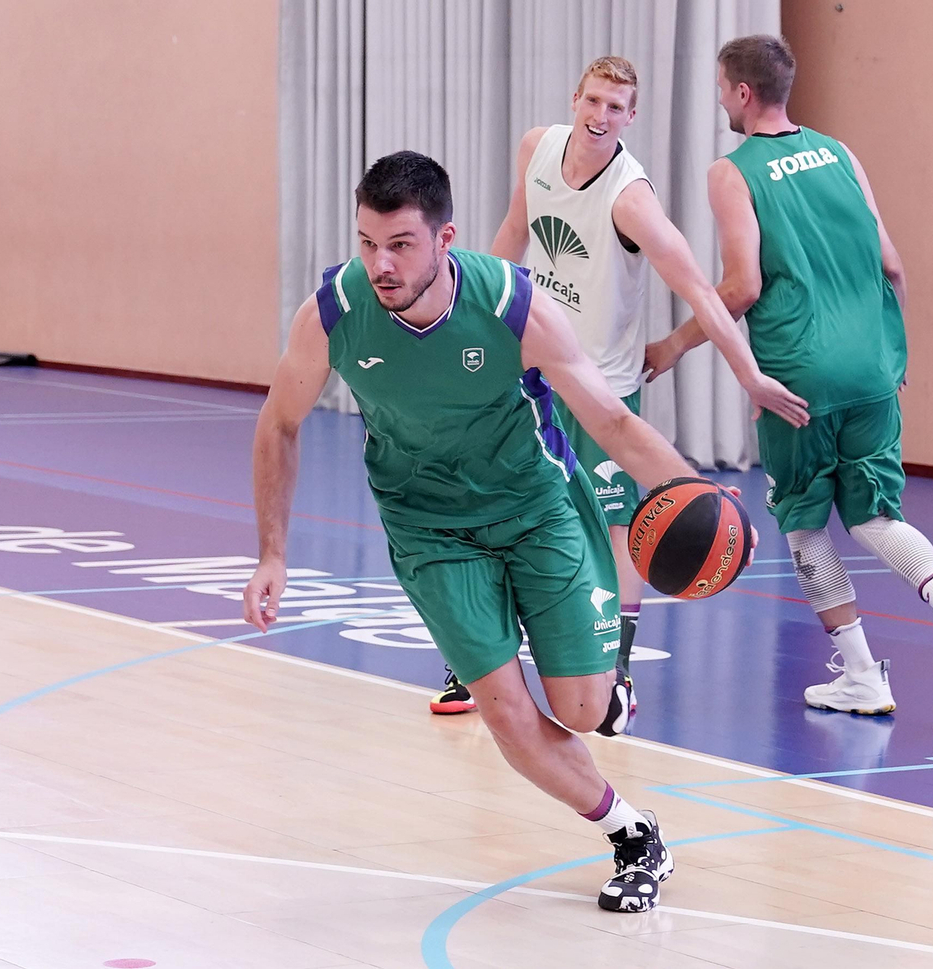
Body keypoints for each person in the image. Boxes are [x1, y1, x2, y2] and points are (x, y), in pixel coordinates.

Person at [244, 151, 752, 911]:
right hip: (430, 529)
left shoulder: (513, 305)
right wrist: (273, 553)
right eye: (367, 242)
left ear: (445, 239)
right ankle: (633, 831)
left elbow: (609, 419)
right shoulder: (333, 315)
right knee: (509, 715)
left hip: (536, 506)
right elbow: (278, 424)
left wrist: (689, 491)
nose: (380, 264)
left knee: (581, 711)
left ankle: (598, 683)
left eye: (401, 244)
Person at [427, 54, 811, 721]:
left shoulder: (630, 198)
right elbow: (516, 230)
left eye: (616, 107)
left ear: (631, 117)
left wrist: (748, 373)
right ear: (574, 99)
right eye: (593, 101)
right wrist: (474, 314)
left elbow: (699, 287)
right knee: (500, 508)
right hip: (529, 370)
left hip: (601, 389)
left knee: (615, 528)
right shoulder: (537, 148)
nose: (601, 116)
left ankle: (621, 673)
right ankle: (481, 661)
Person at [644, 35, 933, 717]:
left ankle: (864, 673)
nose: (720, 98)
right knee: (875, 513)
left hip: (799, 375)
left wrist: (676, 343)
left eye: (721, 87)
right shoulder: (841, 153)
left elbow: (743, 285)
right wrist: (894, 356)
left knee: (805, 524)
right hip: (873, 364)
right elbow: (892, 263)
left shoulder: (732, 170)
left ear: (742, 93)